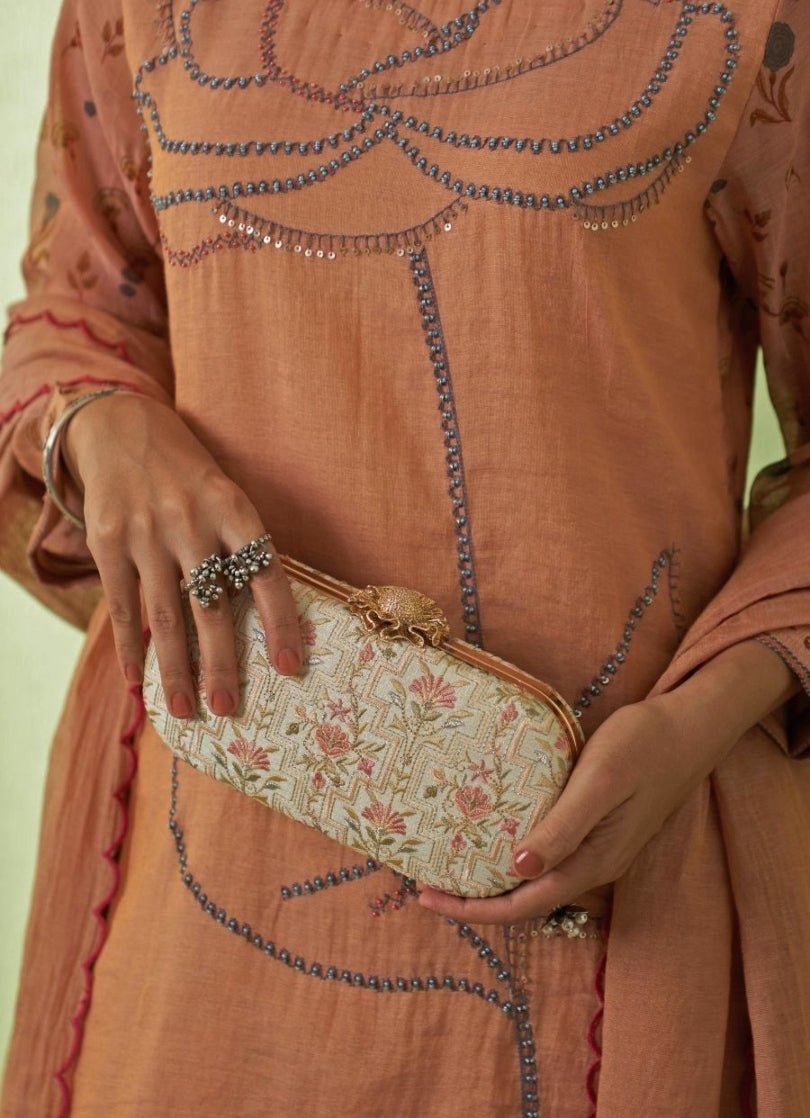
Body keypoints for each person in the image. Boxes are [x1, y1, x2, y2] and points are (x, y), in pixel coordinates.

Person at [1, 0, 809, 1114]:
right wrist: (101, 421)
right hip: (204, 869)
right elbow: (76, 308)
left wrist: (701, 718)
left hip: (602, 865)